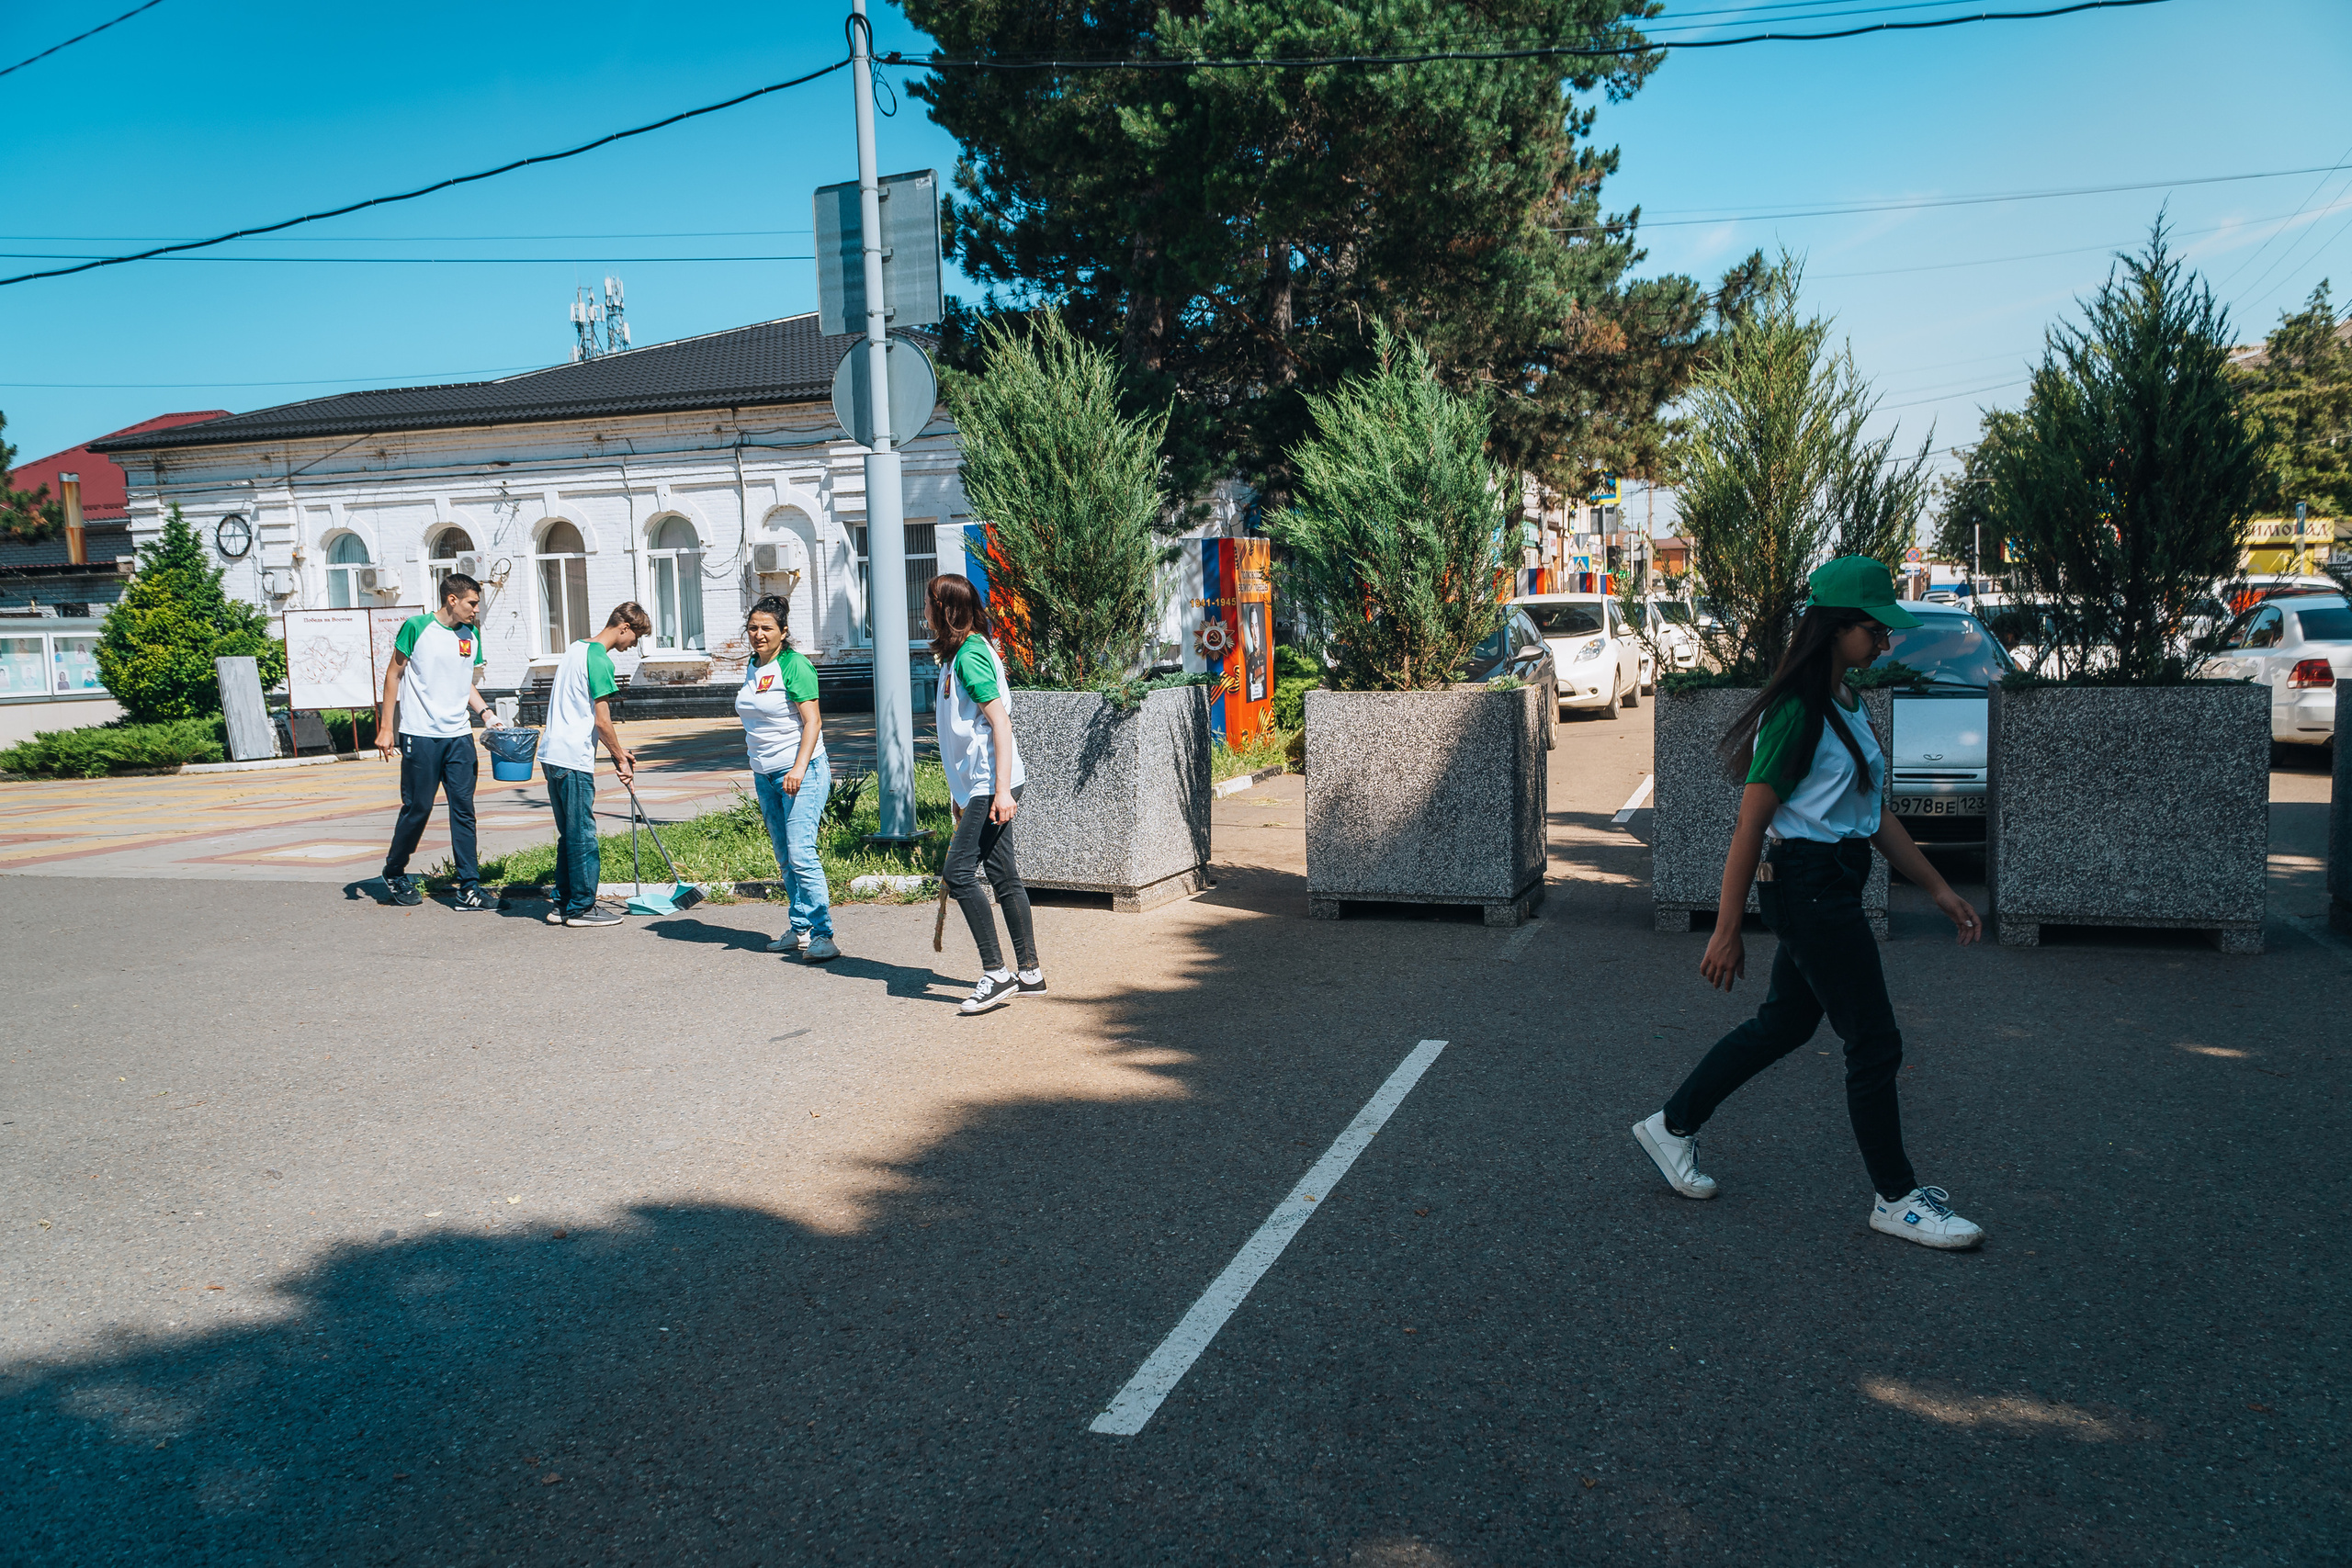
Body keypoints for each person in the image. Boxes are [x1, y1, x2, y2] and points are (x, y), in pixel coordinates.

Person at [1633, 556, 1989, 1250]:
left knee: (1784, 1025)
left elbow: (1874, 815)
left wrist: (1940, 888)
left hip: (1833, 882)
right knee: (1876, 1041)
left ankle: (1671, 1125)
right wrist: (1725, 928)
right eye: (1872, 628)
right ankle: (1897, 1198)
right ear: (1833, 629)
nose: (1884, 639)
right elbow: (1750, 824)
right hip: (1809, 887)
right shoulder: (1797, 712)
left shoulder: (1847, 703)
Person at [928, 574, 1042, 1015]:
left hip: (990, 783)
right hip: (979, 784)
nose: (925, 612)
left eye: (930, 604)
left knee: (958, 874)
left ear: (945, 609)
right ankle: (1029, 972)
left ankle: (996, 974)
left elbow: (1001, 725)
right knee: (1002, 874)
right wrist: (962, 792)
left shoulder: (971, 656)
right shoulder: (958, 656)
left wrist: (998, 792)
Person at [376, 572, 503, 910]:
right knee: (419, 807)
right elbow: (394, 674)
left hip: (459, 736)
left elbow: (464, 683)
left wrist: (486, 714)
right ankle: (394, 870)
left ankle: (469, 887)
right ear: (452, 600)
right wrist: (387, 727)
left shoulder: (471, 634)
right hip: (420, 734)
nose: (476, 610)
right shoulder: (417, 627)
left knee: (464, 810)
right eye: (472, 603)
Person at [737, 594, 839, 962]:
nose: (758, 634)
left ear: (783, 631)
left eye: (766, 628)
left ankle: (823, 935)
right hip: (765, 775)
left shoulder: (794, 665)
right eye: (753, 628)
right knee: (785, 856)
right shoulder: (753, 665)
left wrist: (798, 767)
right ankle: (799, 928)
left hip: (801, 772)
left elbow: (813, 721)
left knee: (801, 853)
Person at [540, 603, 648, 929]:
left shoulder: (575, 648)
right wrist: (619, 756)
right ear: (624, 626)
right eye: (635, 637)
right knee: (583, 834)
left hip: (551, 754)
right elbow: (602, 722)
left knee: (568, 834)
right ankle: (582, 908)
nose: (632, 646)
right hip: (573, 757)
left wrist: (618, 750)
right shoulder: (600, 659)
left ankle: (562, 903)